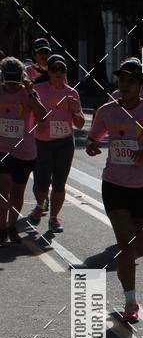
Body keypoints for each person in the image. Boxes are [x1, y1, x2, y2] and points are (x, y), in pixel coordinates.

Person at [86, 58, 143, 322]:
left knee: (141, 246)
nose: (123, 85)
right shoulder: (107, 111)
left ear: (140, 85)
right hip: (114, 185)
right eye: (121, 80)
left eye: (130, 80)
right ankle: (130, 303)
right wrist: (92, 146)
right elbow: (93, 139)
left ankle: (126, 267)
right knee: (126, 247)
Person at [29, 54, 85, 232]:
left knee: (59, 183)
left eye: (62, 69)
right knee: (40, 183)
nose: (58, 72)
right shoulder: (38, 89)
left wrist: (75, 110)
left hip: (64, 143)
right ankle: (40, 204)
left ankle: (53, 218)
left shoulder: (72, 92)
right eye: (54, 69)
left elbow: (80, 124)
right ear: (49, 71)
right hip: (42, 141)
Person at [0, 57, 46, 244]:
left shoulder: (28, 93)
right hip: (2, 149)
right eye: (8, 82)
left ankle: (12, 226)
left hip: (24, 151)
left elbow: (42, 116)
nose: (11, 87)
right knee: (4, 189)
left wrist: (29, 92)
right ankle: (2, 228)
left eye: (15, 82)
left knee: (18, 193)